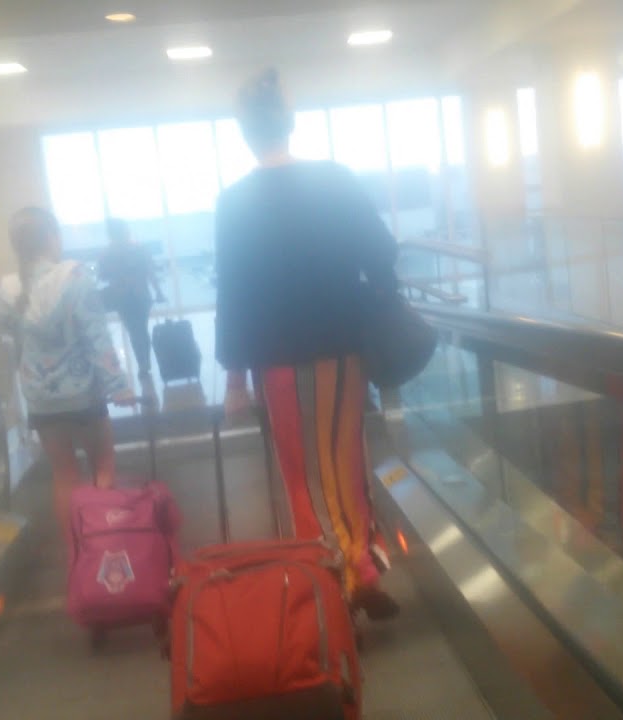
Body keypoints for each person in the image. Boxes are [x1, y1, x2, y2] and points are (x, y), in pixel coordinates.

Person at [216, 68, 400, 620]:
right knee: (346, 460)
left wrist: (234, 378)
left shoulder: (235, 202)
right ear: (290, 121)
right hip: (343, 347)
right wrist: (375, 296)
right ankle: (362, 563)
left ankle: (331, 581)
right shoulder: (335, 180)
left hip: (279, 359)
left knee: (302, 476)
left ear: (245, 131)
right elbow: (382, 251)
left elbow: (234, 294)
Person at [0, 207, 133, 531]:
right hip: (84, 395)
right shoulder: (75, 278)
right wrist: (118, 385)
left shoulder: (9, 290)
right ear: (52, 237)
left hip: (42, 400)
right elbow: (97, 337)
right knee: (103, 464)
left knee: (64, 475)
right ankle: (104, 544)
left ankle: (76, 551)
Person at [98, 218, 166, 396]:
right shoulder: (139, 249)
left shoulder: (106, 254)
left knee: (135, 331)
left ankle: (143, 363)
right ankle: (144, 363)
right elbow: (150, 271)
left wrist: (117, 275)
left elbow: (102, 276)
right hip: (140, 294)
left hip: (123, 297)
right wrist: (158, 291)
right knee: (140, 330)